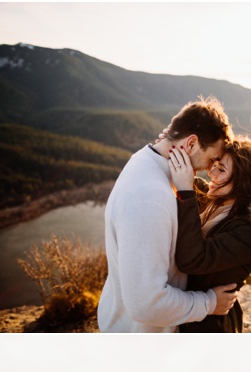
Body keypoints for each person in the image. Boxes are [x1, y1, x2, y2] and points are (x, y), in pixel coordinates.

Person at [97, 97, 240, 333]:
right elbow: (146, 305)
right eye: (212, 159)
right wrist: (209, 303)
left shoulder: (145, 161)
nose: (209, 169)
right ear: (191, 144)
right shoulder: (148, 197)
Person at [168, 133, 251, 332]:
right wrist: (173, 140)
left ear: (243, 182)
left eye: (221, 169)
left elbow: (192, 259)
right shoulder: (217, 201)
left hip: (210, 327)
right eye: (214, 164)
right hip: (187, 314)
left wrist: (185, 193)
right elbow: (187, 176)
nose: (212, 173)